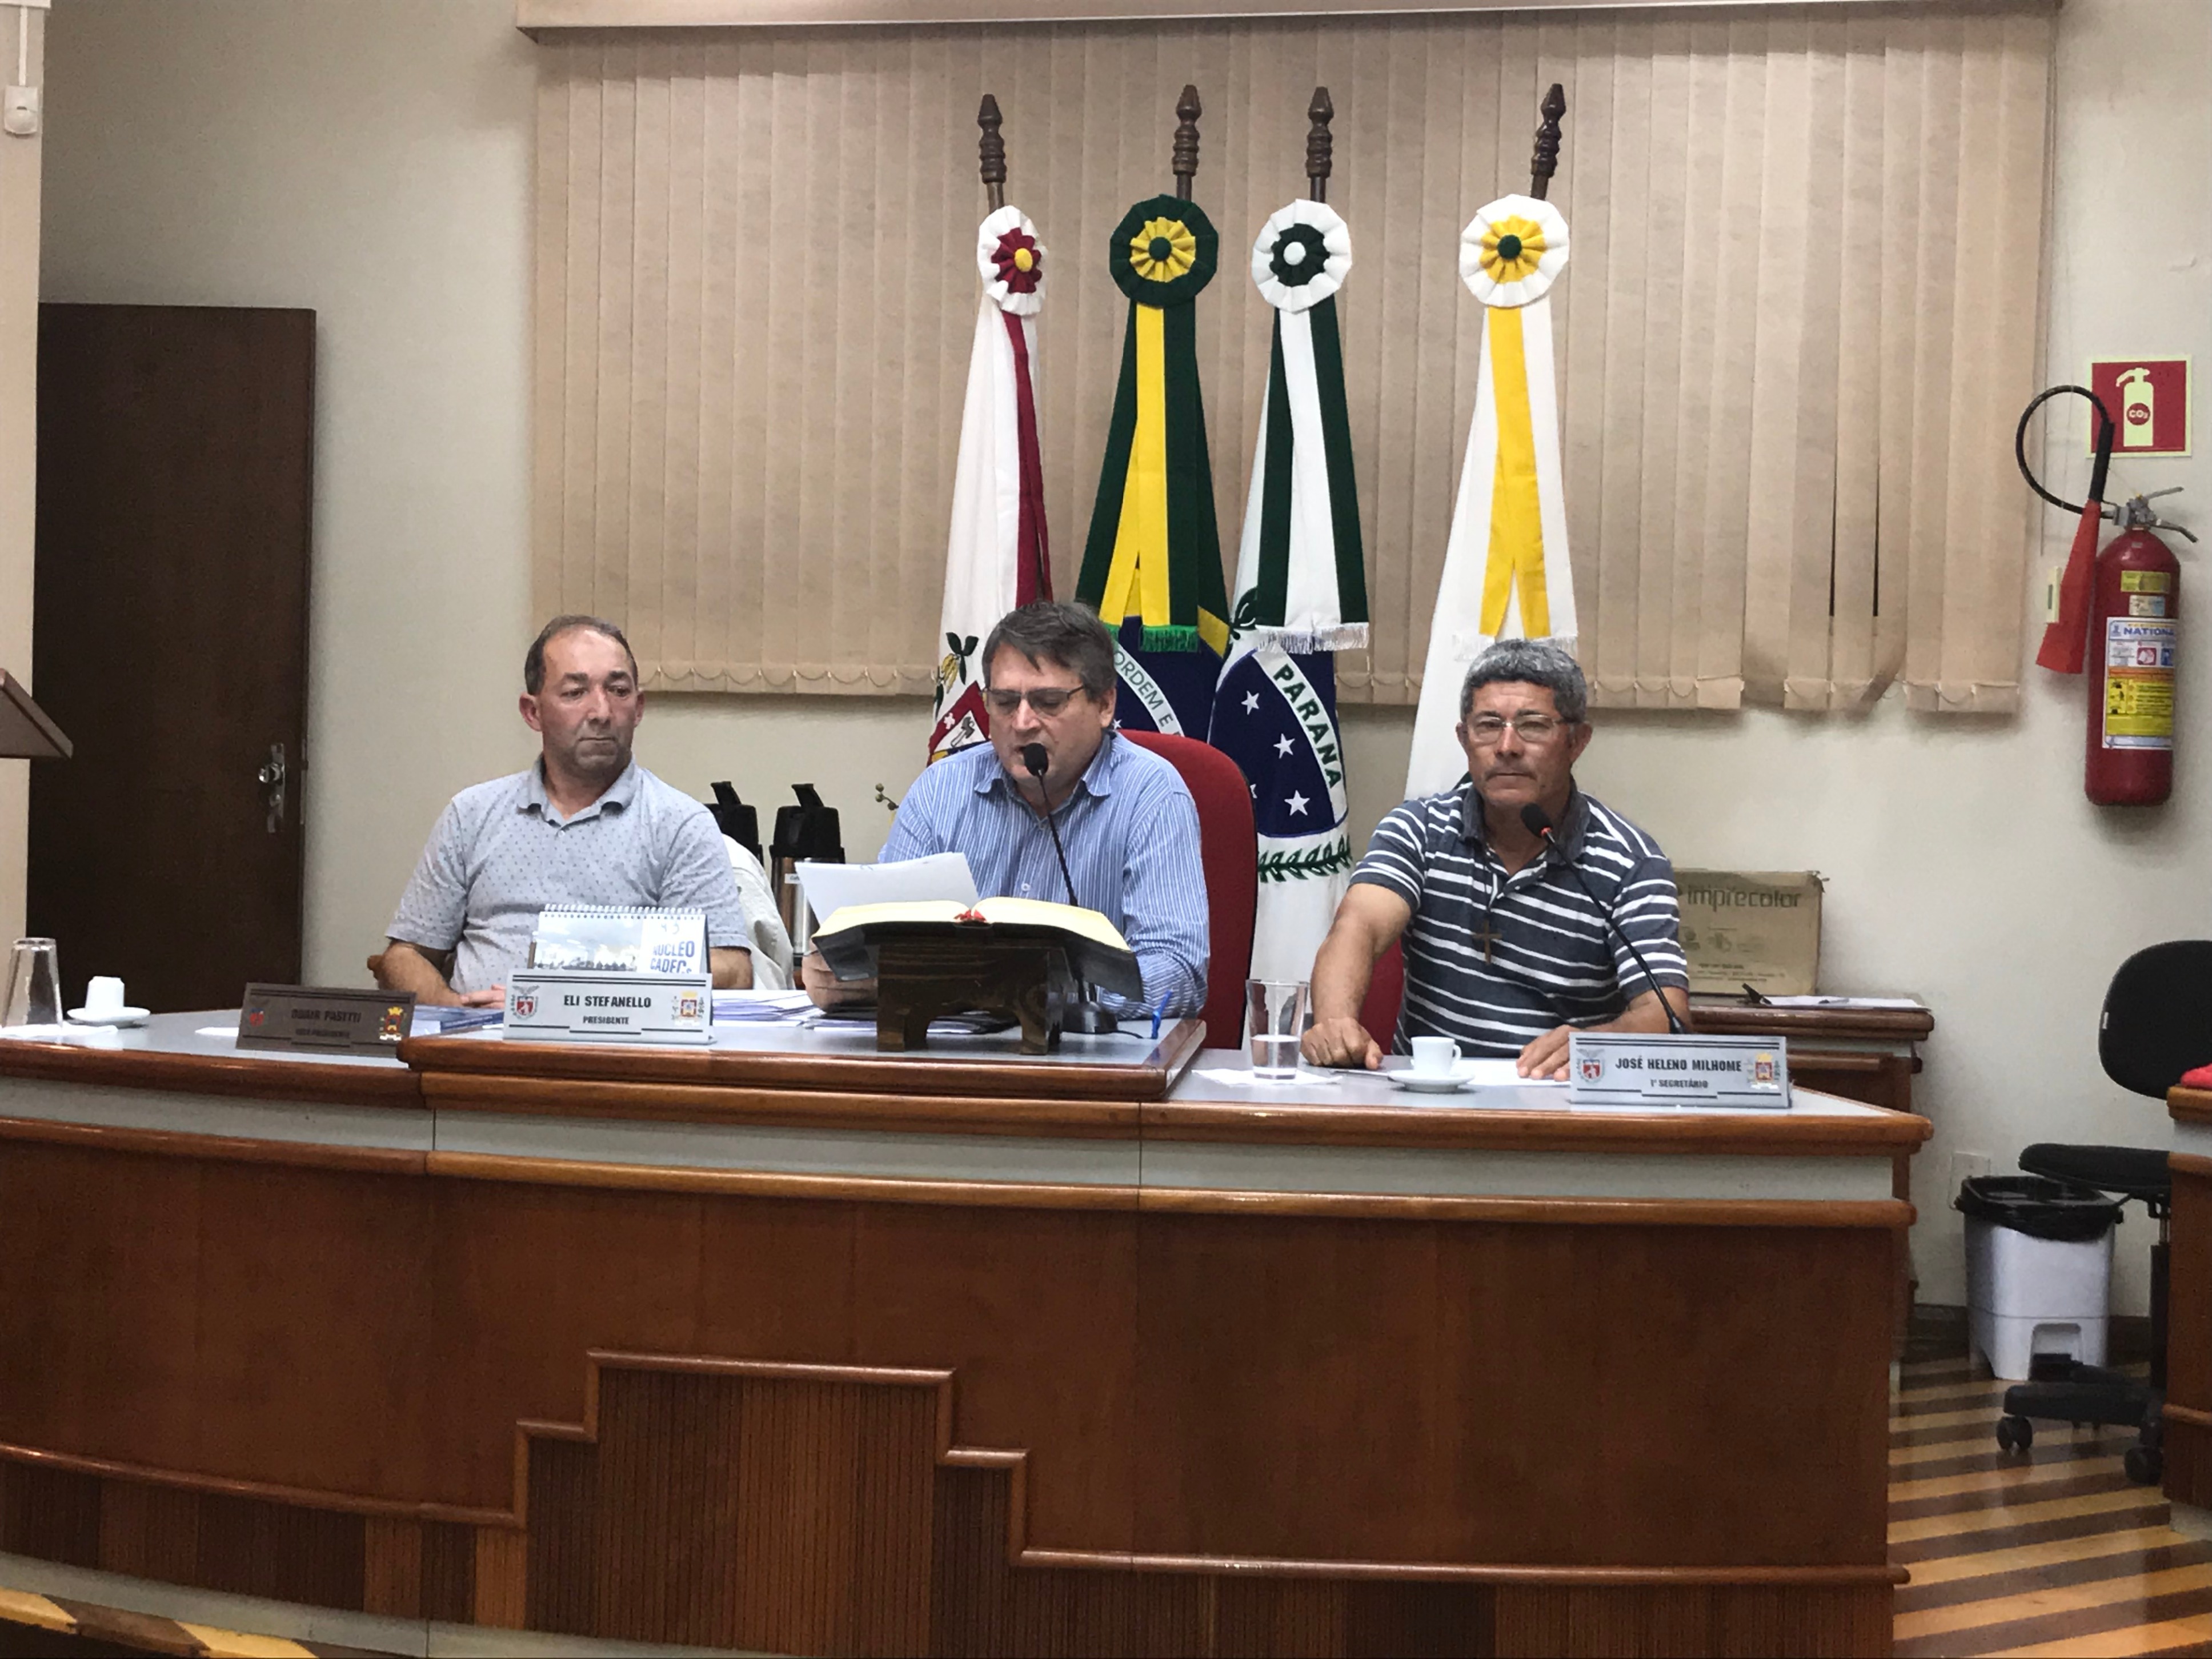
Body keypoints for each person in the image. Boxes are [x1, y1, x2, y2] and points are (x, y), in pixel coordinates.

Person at [1301, 638, 1688, 1079]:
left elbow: (1666, 1013)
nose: (1507, 746)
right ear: (1464, 739)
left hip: (1558, 1097)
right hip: (1431, 1096)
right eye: (1488, 726)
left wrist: (1596, 1043)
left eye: (1533, 726)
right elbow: (1357, 928)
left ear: (1577, 741)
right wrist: (1334, 1022)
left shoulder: (1630, 861)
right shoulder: (1419, 830)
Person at [802, 600, 1208, 1019]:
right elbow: (880, 938)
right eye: (1005, 701)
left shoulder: (1150, 795)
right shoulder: (941, 791)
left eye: (1048, 701)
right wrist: (844, 972)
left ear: (1105, 705)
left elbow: (1178, 973)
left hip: (1084, 1051)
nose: (1022, 722)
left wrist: (1035, 991)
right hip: (947, 1047)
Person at [379, 615, 753, 1007]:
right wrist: (457, 1011)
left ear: (639, 708)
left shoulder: (679, 824)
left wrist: (571, 996)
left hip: (612, 1037)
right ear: (533, 712)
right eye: (575, 693)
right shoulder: (471, 815)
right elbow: (406, 955)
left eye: (619, 691)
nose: (602, 711)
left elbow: (732, 971)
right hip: (477, 1036)